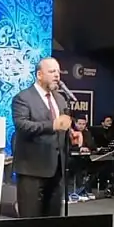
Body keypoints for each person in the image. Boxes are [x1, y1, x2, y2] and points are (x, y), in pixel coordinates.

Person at [12, 57, 82, 217]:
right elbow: (22, 126)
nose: (57, 75)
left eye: (58, 72)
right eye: (52, 71)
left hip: (56, 170)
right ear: (39, 75)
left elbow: (63, 124)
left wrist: (71, 133)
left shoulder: (60, 99)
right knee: (31, 221)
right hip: (32, 171)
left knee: (53, 221)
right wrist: (52, 125)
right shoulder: (23, 98)